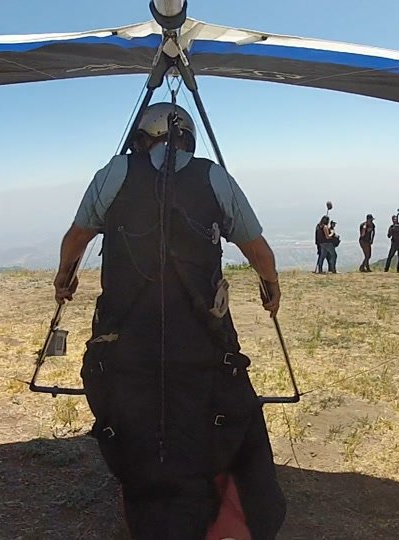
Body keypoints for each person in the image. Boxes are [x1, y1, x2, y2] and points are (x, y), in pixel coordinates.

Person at [53, 102, 285, 539]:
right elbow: (258, 250)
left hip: (127, 343)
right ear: (188, 140)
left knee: (138, 423)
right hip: (201, 342)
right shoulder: (212, 176)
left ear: (142, 138)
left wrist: (64, 279)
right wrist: (270, 286)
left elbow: (77, 236)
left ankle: (156, 505)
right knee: (207, 415)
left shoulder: (115, 172)